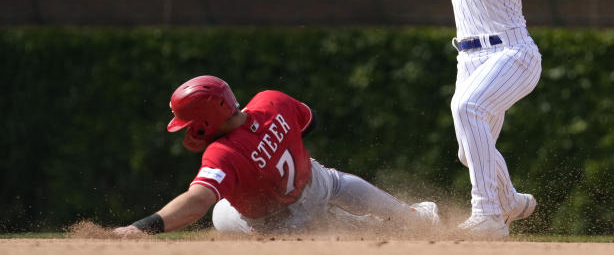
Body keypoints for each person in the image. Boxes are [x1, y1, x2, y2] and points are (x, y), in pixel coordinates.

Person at [113, 75, 440, 236]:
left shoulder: (222, 154)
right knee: (333, 182)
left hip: (285, 224)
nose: (187, 130)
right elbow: (308, 122)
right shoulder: (271, 100)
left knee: (218, 214)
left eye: (189, 123)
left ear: (208, 119)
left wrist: (144, 227)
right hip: (318, 184)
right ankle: (416, 219)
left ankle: (377, 230)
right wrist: (270, 143)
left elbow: (196, 202)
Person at [415, 0, 546, 239]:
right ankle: (511, 202)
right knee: (469, 150)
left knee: (467, 106)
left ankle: (489, 215)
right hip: (475, 56)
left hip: (508, 51)